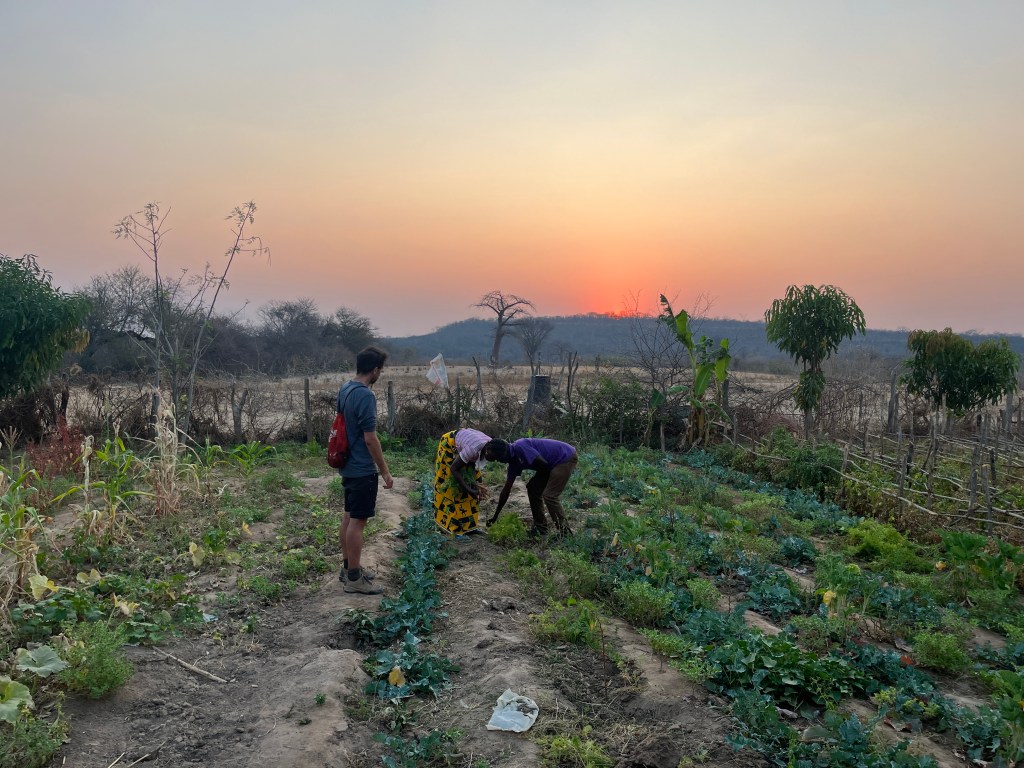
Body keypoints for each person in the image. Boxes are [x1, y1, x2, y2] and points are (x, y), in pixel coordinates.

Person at [337, 346, 393, 595]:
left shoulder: (345, 388)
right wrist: (384, 471)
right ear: (375, 370)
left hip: (347, 465)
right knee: (358, 522)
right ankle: (353, 580)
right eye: (380, 370)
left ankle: (350, 569)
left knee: (349, 516)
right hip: (361, 468)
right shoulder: (365, 395)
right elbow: (371, 438)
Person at [483, 437, 578, 537]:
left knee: (550, 495)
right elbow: (506, 492)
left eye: (498, 458)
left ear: (503, 455)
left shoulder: (520, 447)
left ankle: (566, 534)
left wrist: (545, 482)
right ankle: (540, 528)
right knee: (533, 489)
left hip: (564, 457)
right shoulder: (513, 463)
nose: (499, 461)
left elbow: (543, 464)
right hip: (548, 465)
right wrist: (495, 516)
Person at [433, 428, 491, 535]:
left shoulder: (491, 446)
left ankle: (469, 527)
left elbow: (472, 466)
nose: (491, 460)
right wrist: (468, 489)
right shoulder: (473, 448)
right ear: (487, 451)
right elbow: (454, 469)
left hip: (466, 447)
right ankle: (449, 527)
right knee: (448, 485)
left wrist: (474, 486)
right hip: (449, 446)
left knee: (475, 484)